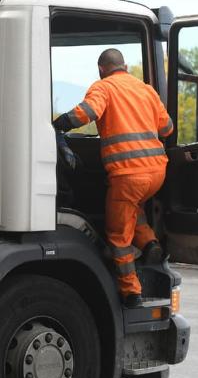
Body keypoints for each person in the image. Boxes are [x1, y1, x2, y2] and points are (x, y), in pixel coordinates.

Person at [53, 48, 174, 307]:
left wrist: (60, 123)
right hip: (157, 173)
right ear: (126, 66)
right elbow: (167, 127)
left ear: (101, 69)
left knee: (117, 235)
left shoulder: (103, 87)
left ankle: (131, 291)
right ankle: (149, 242)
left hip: (128, 175)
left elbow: (86, 112)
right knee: (134, 209)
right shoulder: (147, 90)